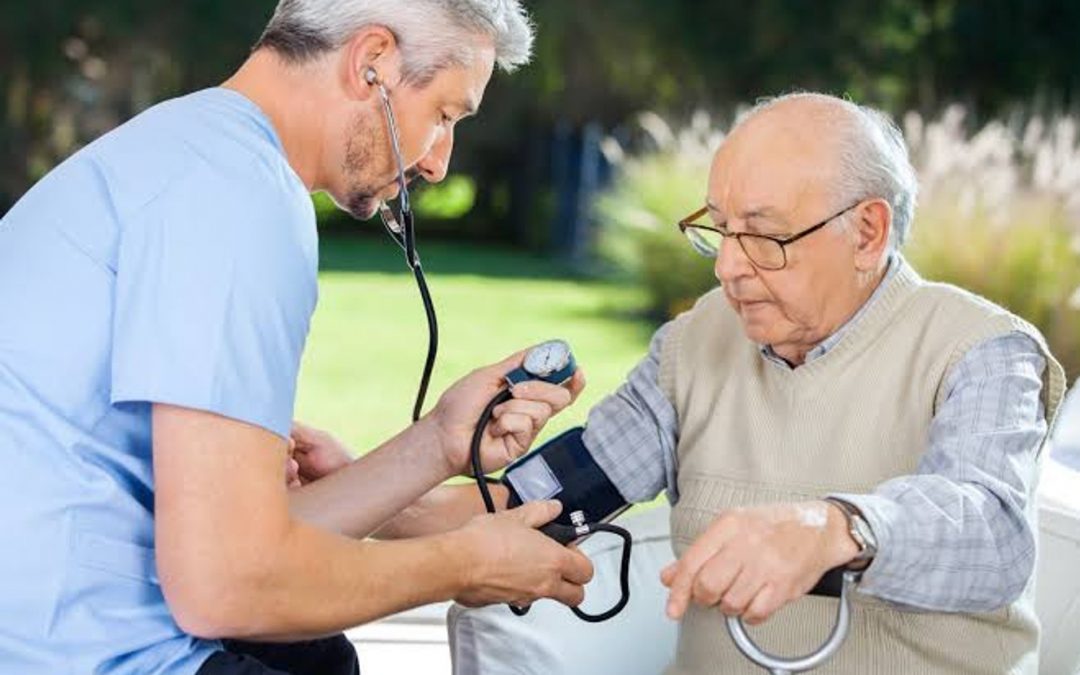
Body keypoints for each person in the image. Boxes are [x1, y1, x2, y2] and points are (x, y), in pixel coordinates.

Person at [0, 2, 594, 674]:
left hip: (53, 628)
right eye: (445, 115)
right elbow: (227, 584)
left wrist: (437, 442)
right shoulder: (239, 198)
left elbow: (239, 549)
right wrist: (462, 562)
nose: (438, 163)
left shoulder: (190, 151)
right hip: (71, 653)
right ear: (373, 62)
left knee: (319, 658)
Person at [414, 93, 1067, 673]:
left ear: (867, 231)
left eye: (761, 235)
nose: (727, 266)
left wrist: (835, 527)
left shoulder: (982, 349)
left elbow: (993, 533)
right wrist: (363, 497)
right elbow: (547, 498)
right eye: (721, 228)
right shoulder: (699, 342)